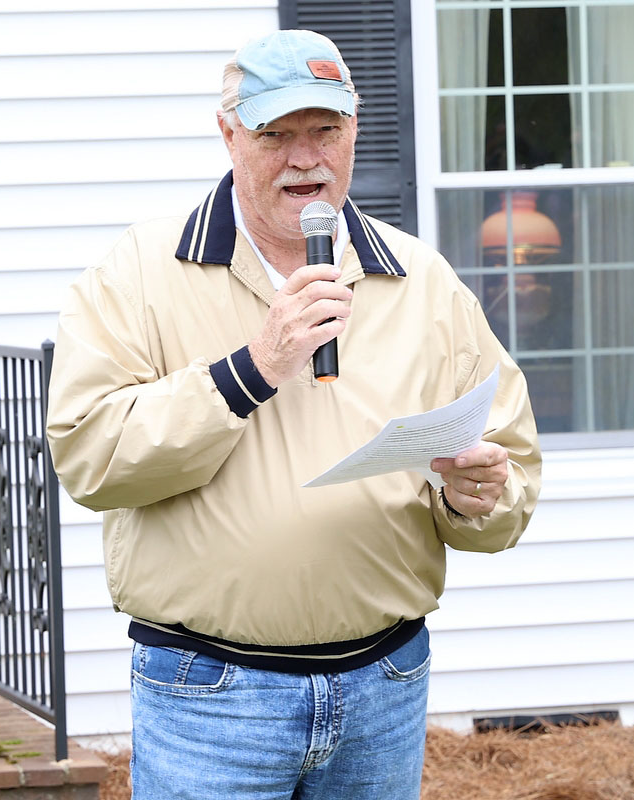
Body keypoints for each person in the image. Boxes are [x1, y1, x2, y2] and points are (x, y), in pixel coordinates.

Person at [46, 28, 542, 800]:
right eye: (276, 134)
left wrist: (477, 497)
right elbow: (89, 458)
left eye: (326, 131)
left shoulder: (424, 282)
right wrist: (253, 368)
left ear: (353, 132)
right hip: (209, 698)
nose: (305, 158)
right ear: (228, 135)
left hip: (387, 683)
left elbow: (508, 472)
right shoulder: (138, 275)